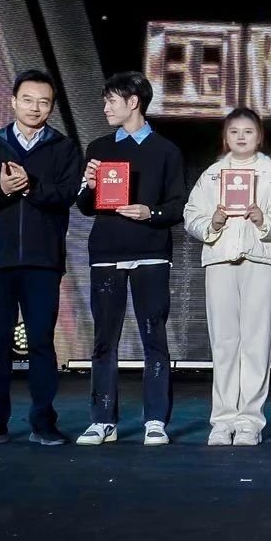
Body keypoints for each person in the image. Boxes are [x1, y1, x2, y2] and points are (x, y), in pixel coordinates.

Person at [0, 69, 86, 446]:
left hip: (42, 260)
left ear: (52, 107)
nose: (35, 108)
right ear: (13, 101)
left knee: (41, 342)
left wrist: (30, 187)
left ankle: (43, 421)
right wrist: (0, 189)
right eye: (28, 100)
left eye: (43, 102)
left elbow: (68, 195)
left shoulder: (63, 148)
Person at [75, 72, 186, 447]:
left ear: (133, 102)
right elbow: (85, 205)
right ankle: (102, 420)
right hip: (106, 253)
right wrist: (90, 187)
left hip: (151, 253)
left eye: (111, 100)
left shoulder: (166, 150)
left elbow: (178, 206)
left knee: (154, 337)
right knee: (104, 339)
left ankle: (155, 419)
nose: (105, 107)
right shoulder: (98, 147)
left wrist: (150, 213)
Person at [183, 107, 271, 446]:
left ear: (259, 137)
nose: (241, 137)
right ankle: (222, 421)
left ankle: (249, 421)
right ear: (225, 137)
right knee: (224, 343)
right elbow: (191, 214)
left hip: (261, 260)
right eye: (234, 131)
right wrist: (212, 222)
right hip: (220, 260)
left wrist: (265, 221)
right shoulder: (212, 175)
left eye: (248, 131)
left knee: (256, 342)